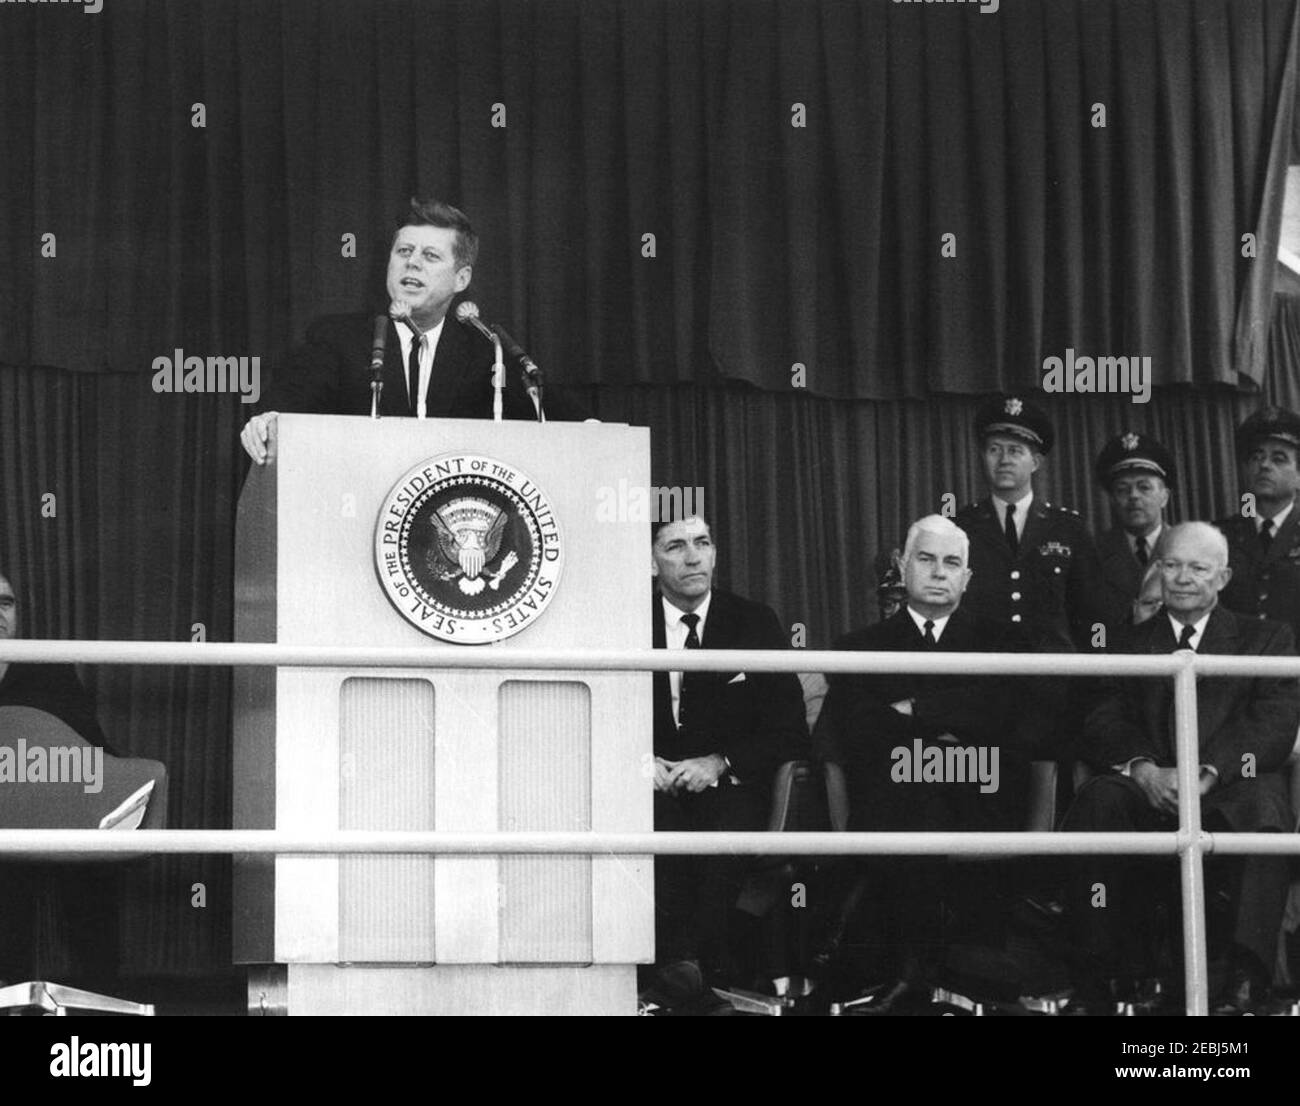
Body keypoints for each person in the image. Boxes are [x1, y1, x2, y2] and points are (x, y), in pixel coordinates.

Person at [1063, 522, 1298, 1014]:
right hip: (1151, 787)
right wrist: (1144, 770)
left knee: (1264, 806)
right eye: (1172, 565)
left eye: (1198, 567)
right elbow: (1102, 714)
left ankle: (1244, 980)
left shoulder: (1267, 638)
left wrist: (1208, 773)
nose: (1183, 578)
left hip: (1229, 783)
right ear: (1157, 569)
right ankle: (1100, 977)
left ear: (1224, 576)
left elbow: (1272, 725)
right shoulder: (1126, 643)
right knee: (1098, 803)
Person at [814, 515, 1040, 1012]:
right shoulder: (858, 648)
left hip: (980, 791)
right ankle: (920, 973)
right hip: (897, 792)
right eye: (926, 559)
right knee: (910, 794)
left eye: (951, 563)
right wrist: (955, 720)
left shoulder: (1007, 642)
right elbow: (861, 732)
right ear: (902, 565)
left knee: (918, 787)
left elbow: (1006, 717)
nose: (939, 572)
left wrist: (915, 708)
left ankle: (904, 974)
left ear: (967, 577)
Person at [241, 197, 587, 463]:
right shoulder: (339, 339)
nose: (413, 262)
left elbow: (559, 414)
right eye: (404, 251)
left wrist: (593, 432)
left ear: (461, 279)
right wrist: (269, 420)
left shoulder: (485, 351)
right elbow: (289, 401)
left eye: (431, 256)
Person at [643, 515, 808, 1012]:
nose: (693, 557)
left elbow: (790, 726)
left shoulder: (755, 621)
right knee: (651, 832)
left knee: (718, 836)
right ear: (652, 561)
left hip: (732, 784)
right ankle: (687, 980)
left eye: (703, 543)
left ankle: (688, 980)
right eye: (675, 546)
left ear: (715, 553)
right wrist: (638, 762)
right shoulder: (625, 619)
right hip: (649, 785)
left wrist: (719, 762)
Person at [0, 568, 122, 988]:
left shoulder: (48, 670)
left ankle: (99, 1000)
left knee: (92, 866)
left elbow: (95, 753)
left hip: (52, 818)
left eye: (6, 603)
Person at [955, 395, 1109, 653]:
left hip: (1053, 678)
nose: (1004, 459)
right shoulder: (962, 526)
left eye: (1015, 451)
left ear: (1035, 462)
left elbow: (1090, 614)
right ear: (983, 458)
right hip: (981, 678)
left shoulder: (1069, 529)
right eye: (995, 449)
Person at [1215, 406, 1300, 642]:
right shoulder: (1219, 536)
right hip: (1234, 672)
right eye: (1256, 457)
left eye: (1279, 459)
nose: (1264, 465)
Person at [1094, 432, 1175, 626]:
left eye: (1144, 487)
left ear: (1164, 496)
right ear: (1112, 500)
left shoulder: (1186, 548)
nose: (1133, 496)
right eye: (1122, 489)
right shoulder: (1092, 553)